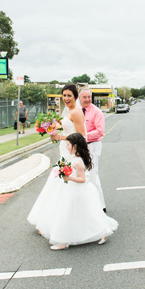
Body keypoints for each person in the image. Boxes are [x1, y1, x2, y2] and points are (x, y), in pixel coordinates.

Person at [27, 84, 87, 229]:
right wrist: (53, 134)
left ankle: (67, 223)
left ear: (75, 97)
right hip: (63, 151)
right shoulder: (67, 111)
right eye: (64, 95)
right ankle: (53, 221)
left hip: (71, 153)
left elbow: (81, 136)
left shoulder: (76, 112)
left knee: (66, 185)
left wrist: (61, 137)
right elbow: (63, 132)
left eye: (69, 96)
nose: (66, 98)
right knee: (57, 186)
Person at [46, 133, 118, 250]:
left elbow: (82, 179)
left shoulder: (78, 162)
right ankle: (69, 239)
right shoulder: (75, 158)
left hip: (78, 191)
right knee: (82, 214)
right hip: (73, 190)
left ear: (75, 146)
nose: (66, 147)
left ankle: (65, 241)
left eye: (68, 145)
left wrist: (68, 177)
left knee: (71, 213)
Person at [79, 87, 107, 212]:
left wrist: (83, 135)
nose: (87, 99)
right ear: (79, 98)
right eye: (84, 97)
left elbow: (100, 131)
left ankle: (101, 206)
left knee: (93, 174)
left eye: (89, 97)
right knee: (81, 175)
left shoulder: (97, 112)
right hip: (80, 147)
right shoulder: (78, 111)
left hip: (93, 145)